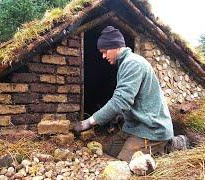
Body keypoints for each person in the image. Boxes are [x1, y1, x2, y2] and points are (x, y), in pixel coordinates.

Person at [74, 26, 175, 162]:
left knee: (123, 163)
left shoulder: (133, 63)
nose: (103, 56)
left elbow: (120, 101)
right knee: (109, 150)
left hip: (152, 128)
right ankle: (162, 146)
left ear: (115, 47)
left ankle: (170, 145)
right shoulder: (125, 64)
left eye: (104, 51)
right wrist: (121, 115)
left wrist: (89, 122)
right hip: (134, 126)